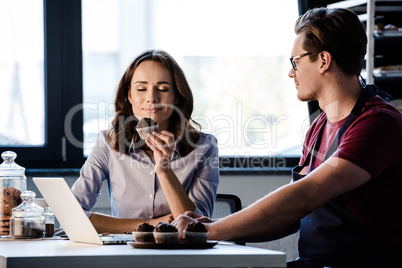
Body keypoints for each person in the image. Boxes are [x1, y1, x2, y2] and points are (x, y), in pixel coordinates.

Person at [172, 8, 402, 267]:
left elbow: (304, 197)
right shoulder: (319, 127)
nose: (291, 73)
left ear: (323, 60)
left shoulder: (378, 123)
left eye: (296, 62)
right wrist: (213, 226)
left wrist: (208, 231)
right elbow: (290, 217)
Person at [71, 49, 219, 234]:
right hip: (125, 255)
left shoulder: (205, 147)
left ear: (177, 96)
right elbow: (72, 215)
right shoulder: (107, 144)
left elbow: (197, 228)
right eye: (141, 89)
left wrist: (164, 170)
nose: (151, 98)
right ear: (129, 96)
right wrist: (149, 225)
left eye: (163, 89)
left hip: (181, 255)